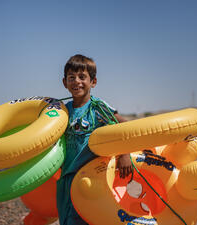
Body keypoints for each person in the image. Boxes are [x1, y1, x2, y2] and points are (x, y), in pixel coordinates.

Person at [57, 54, 133, 225]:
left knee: (85, 217)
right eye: (71, 77)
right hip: (67, 175)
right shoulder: (63, 111)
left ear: (93, 82)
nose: (77, 81)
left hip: (91, 175)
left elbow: (123, 127)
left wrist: (124, 154)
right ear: (64, 83)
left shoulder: (98, 107)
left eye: (82, 77)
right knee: (66, 218)